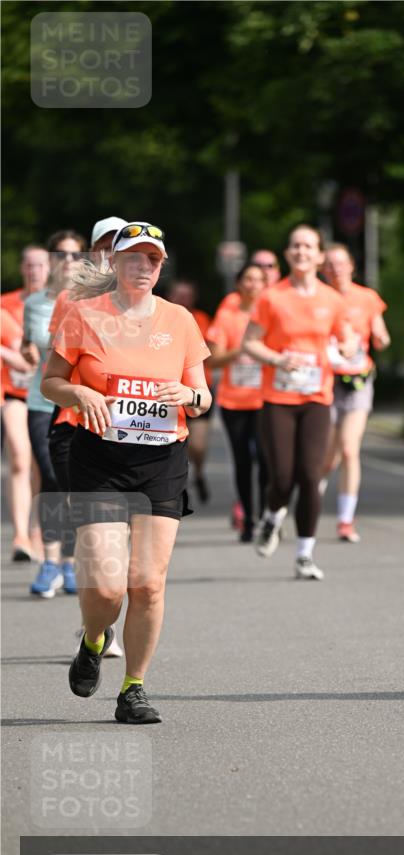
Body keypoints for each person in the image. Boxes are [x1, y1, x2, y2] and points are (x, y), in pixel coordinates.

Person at [42, 222, 211, 723]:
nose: (144, 267)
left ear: (161, 268)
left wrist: (191, 397)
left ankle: (133, 688)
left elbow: (202, 396)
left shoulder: (179, 320)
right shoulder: (83, 315)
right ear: (113, 262)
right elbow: (51, 382)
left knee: (148, 584)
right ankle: (94, 640)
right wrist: (80, 392)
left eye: (153, 260)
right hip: (100, 461)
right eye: (134, 257)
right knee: (106, 587)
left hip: (161, 461)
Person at [242, 224, 356, 579]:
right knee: (282, 477)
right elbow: (250, 343)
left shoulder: (331, 299)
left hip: (317, 398)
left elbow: (347, 337)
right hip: (278, 397)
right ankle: (272, 516)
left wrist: (347, 349)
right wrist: (277, 360)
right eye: (295, 246)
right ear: (288, 254)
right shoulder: (272, 297)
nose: (302, 251)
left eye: (309, 246)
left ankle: (305, 553)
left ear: (319, 255)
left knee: (310, 475)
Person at [48, 218, 127, 656]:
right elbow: (56, 364)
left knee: (123, 533)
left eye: (120, 245)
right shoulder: (70, 298)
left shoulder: (147, 303)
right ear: (94, 249)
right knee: (90, 528)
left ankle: (99, 615)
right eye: (104, 244)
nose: (110, 252)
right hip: (74, 427)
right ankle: (89, 625)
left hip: (129, 434)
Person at [23, 230, 87, 597]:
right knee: (50, 478)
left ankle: (68, 561)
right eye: (61, 255)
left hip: (75, 404)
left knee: (72, 484)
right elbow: (28, 346)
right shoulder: (34, 303)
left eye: (75, 255)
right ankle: (50, 562)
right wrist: (30, 354)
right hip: (40, 400)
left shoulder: (92, 300)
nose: (67, 262)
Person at [320, 243, 391, 542]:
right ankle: (308, 505)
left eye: (341, 263)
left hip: (359, 381)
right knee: (326, 458)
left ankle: (346, 520)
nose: (336, 269)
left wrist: (380, 338)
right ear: (324, 270)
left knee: (349, 448)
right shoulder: (319, 299)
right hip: (325, 381)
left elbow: (382, 335)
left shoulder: (367, 297)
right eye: (330, 265)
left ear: (351, 266)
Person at [207, 263, 267, 541]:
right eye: (249, 279)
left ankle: (266, 514)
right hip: (234, 402)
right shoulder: (227, 314)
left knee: (266, 460)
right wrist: (240, 351)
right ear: (239, 284)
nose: (254, 284)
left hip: (265, 399)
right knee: (243, 461)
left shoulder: (270, 313)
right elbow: (213, 359)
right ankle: (249, 520)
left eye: (259, 280)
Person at [1, 245, 50, 560]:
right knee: (20, 456)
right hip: (14, 394)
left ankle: (37, 531)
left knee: (41, 466)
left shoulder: (58, 306)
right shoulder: (5, 306)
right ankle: (20, 536)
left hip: (47, 394)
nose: (34, 271)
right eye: (29, 265)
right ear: (22, 268)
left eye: (40, 265)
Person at [167, 279, 213, 503]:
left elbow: (212, 350)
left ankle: (200, 472)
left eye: (187, 295)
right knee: (178, 442)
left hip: (197, 388)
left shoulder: (201, 319)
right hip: (169, 392)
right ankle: (180, 483)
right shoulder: (162, 318)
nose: (183, 299)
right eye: (179, 295)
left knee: (198, 444)